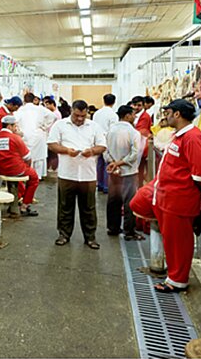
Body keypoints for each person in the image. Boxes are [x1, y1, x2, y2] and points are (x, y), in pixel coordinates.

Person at [129, 99, 201, 293]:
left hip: (179, 199)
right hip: (166, 197)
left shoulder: (193, 137)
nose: (165, 116)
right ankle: (174, 275)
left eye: (168, 112)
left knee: (178, 242)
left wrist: (182, 188)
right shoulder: (179, 136)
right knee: (140, 206)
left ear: (177, 114)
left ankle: (177, 280)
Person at [46, 100, 107, 249]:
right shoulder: (60, 125)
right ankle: (64, 234)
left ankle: (90, 237)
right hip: (67, 173)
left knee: (89, 208)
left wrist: (91, 151)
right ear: (71, 111)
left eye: (83, 116)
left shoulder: (94, 126)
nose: (80, 119)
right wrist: (66, 151)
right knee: (65, 207)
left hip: (88, 175)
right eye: (77, 115)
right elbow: (52, 143)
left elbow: (102, 145)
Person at [103, 105, 142, 240]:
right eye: (133, 114)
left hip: (114, 172)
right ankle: (129, 231)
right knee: (129, 202)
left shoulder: (110, 131)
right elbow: (135, 153)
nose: (135, 116)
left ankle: (112, 228)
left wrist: (113, 162)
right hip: (129, 171)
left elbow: (105, 150)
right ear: (127, 116)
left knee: (113, 200)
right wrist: (120, 163)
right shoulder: (133, 133)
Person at [0, 115, 39, 218]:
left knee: (18, 180)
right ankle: (24, 206)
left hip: (2, 170)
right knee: (34, 178)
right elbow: (27, 157)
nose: (16, 128)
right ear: (10, 126)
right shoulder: (15, 138)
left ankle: (18, 199)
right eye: (15, 126)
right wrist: (27, 167)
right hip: (17, 169)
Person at [16, 92, 56, 178]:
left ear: (24, 100)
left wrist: (18, 129)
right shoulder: (40, 109)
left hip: (25, 135)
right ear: (34, 99)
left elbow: (15, 120)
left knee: (27, 156)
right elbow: (53, 116)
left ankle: (27, 174)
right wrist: (44, 126)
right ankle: (38, 176)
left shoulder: (21, 110)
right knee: (38, 157)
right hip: (39, 134)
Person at [91, 93, 118, 194]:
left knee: (99, 163)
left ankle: (100, 184)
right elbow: (113, 130)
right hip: (107, 140)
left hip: (97, 140)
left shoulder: (97, 113)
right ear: (114, 102)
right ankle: (107, 186)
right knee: (108, 163)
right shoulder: (113, 115)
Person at [43, 96, 62, 173]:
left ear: (52, 104)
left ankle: (54, 167)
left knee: (53, 153)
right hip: (49, 134)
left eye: (48, 105)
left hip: (53, 135)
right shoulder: (52, 113)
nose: (46, 107)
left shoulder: (56, 114)